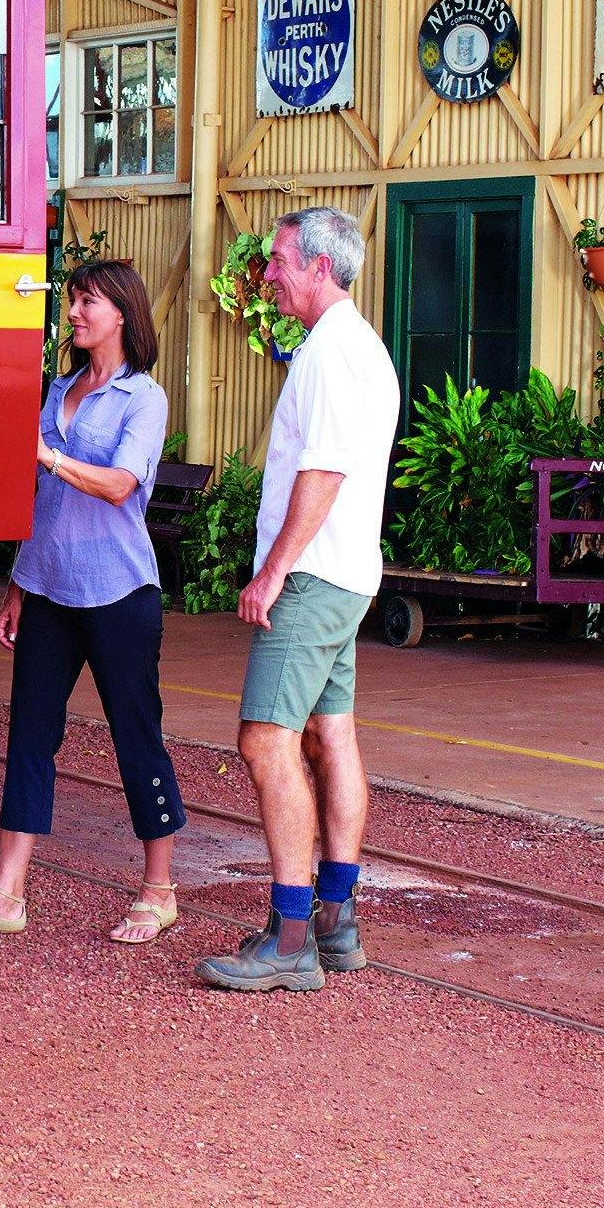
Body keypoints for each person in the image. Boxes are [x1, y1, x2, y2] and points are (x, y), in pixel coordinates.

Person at [0, 258, 190, 946]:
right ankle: (7, 894)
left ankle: (159, 890)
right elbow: (42, 502)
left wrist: (46, 455)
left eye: (87, 301)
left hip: (119, 592)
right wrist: (19, 583)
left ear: (122, 314)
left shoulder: (144, 398)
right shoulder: (59, 389)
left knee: (136, 735)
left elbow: (119, 485)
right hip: (48, 588)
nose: (73, 312)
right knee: (29, 735)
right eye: (73, 300)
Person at [196, 205, 401, 994]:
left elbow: (323, 471)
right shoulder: (360, 346)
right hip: (347, 571)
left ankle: (289, 939)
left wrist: (274, 570)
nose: (269, 275)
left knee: (264, 740)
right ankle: (335, 922)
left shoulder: (330, 352)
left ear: (319, 266)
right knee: (330, 733)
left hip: (313, 575)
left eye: (280, 261)